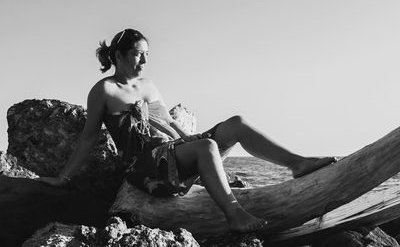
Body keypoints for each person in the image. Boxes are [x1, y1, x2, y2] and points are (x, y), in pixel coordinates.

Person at [38, 28, 336, 232]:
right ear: (119, 56)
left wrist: (192, 141)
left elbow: (167, 122)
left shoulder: (149, 85)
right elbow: (89, 137)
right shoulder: (103, 90)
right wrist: (63, 178)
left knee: (236, 123)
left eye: (147, 54)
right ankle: (234, 214)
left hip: (172, 153)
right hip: (145, 165)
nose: (145, 60)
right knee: (206, 148)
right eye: (138, 54)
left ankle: (297, 164)